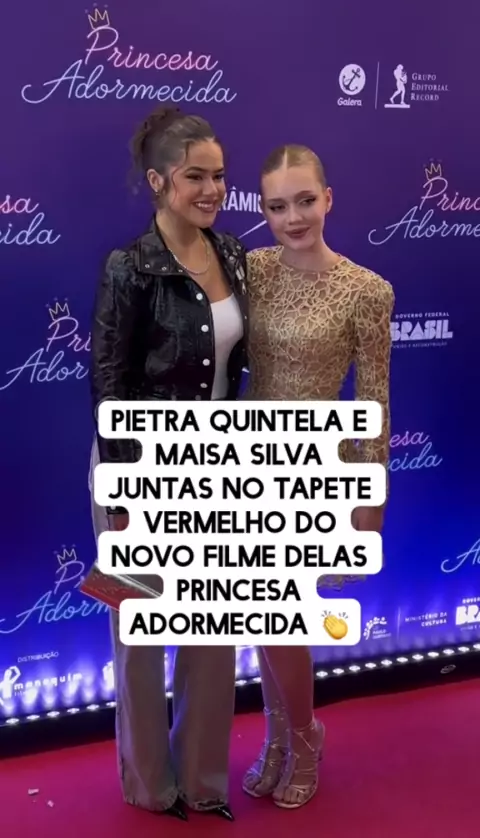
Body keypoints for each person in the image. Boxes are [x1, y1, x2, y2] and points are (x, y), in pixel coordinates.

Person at [89, 104, 248, 822]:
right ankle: (151, 787)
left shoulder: (235, 255)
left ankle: (205, 781)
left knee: (214, 633)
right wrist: (125, 493)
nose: (213, 190)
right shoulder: (129, 267)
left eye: (219, 176)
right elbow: (107, 382)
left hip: (216, 467)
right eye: (195, 177)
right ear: (158, 181)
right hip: (137, 466)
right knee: (141, 632)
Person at [241, 144, 394, 809]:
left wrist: (371, 490)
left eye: (305, 201)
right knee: (259, 613)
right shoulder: (252, 270)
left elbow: (375, 398)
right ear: (264, 211)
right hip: (246, 459)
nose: (293, 218)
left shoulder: (367, 290)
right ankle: (279, 736)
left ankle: (304, 737)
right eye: (278, 206)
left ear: (328, 198)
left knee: (280, 614)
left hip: (313, 468)